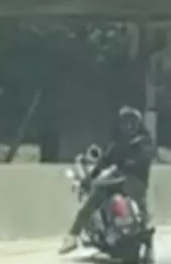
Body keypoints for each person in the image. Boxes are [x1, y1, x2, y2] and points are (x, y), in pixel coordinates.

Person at [59, 106, 156, 254]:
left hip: (128, 180)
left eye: (131, 122)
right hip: (135, 183)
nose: (128, 126)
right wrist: (90, 177)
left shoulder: (138, 142)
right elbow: (104, 161)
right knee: (142, 208)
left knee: (97, 192)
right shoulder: (138, 141)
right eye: (126, 122)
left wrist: (90, 179)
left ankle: (73, 235)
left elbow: (106, 161)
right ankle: (147, 243)